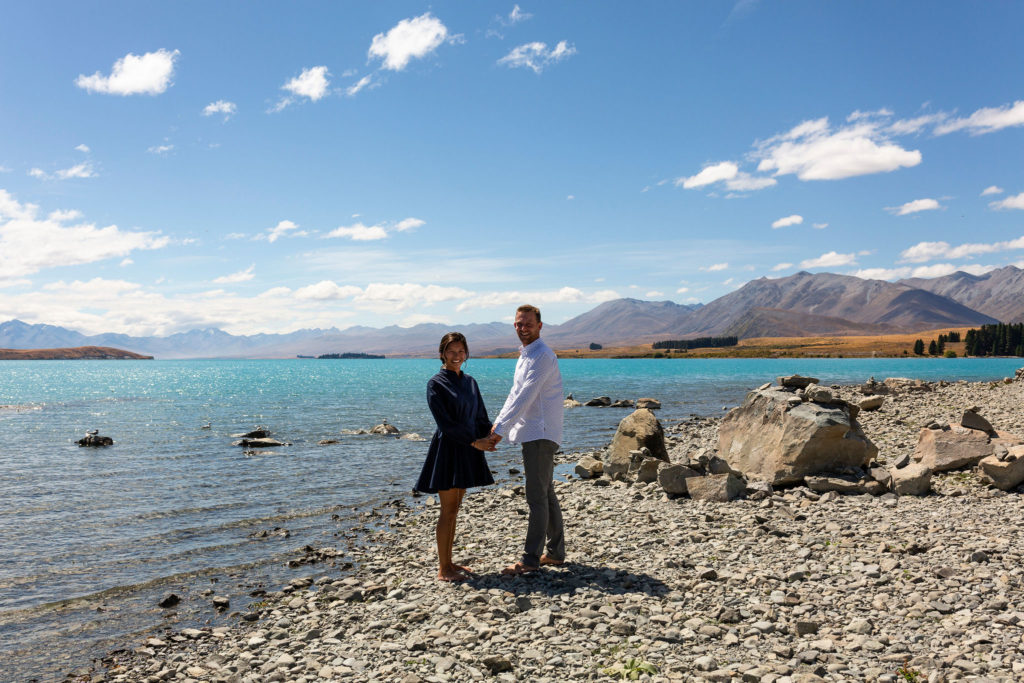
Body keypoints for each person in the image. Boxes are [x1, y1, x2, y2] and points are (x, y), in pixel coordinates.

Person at [415, 332, 497, 582]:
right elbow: (446, 423)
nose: (457, 356)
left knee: (456, 508)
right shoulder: (436, 383)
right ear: (442, 353)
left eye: (461, 351)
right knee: (448, 510)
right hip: (449, 449)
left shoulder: (471, 382)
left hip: (469, 448)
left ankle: (449, 561)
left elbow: (480, 415)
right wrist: (475, 442)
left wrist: (491, 436)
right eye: (451, 351)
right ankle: (443, 569)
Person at [490, 305, 566, 575]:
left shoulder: (542, 356)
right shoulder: (526, 355)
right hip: (537, 433)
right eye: (519, 324)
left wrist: (498, 432)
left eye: (528, 324)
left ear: (540, 326)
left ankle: (530, 560)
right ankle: (556, 553)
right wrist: (497, 425)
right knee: (546, 493)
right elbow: (514, 394)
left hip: (540, 433)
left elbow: (526, 396)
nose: (523, 328)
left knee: (536, 496)